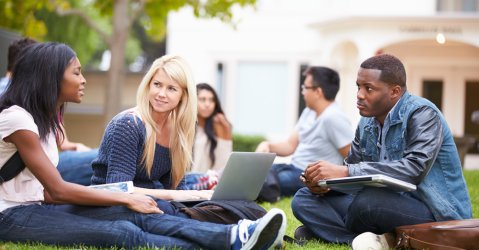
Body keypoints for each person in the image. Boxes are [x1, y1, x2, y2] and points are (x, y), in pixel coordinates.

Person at [0, 42, 286, 249]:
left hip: (40, 206)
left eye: (172, 88)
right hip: (10, 215)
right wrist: (127, 197)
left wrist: (160, 198)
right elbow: (57, 190)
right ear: (51, 77)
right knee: (122, 233)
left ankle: (240, 235)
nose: (84, 79)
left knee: (139, 215)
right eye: (76, 72)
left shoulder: (47, 123)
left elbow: (45, 194)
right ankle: (231, 239)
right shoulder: (18, 120)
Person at [291, 54, 472, 249]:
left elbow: (413, 170)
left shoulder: (423, 114)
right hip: (383, 203)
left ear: (394, 91)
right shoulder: (366, 123)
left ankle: (334, 232)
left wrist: (346, 172)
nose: (360, 94)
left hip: (435, 213)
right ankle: (372, 240)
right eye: (358, 87)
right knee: (303, 199)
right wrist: (326, 184)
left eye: (368, 88)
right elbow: (352, 174)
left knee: (367, 203)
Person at [0, 37, 97, 186]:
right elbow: (56, 189)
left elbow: (62, 142)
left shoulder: (45, 107)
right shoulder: (16, 110)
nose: (83, 80)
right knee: (102, 159)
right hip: (24, 183)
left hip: (40, 171)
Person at [256, 66, 354, 200]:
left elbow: (351, 158)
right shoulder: (309, 112)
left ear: (318, 92)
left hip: (307, 175)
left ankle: (267, 190)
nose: (302, 92)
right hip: (291, 168)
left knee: (257, 180)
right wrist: (268, 145)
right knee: (256, 172)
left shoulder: (333, 118)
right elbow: (290, 145)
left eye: (305, 87)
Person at [185, 82, 233, 190]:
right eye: (202, 99)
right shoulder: (184, 127)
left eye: (212, 100)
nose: (208, 104)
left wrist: (225, 129)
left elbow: (223, 163)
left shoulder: (218, 125)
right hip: (188, 181)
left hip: (210, 182)